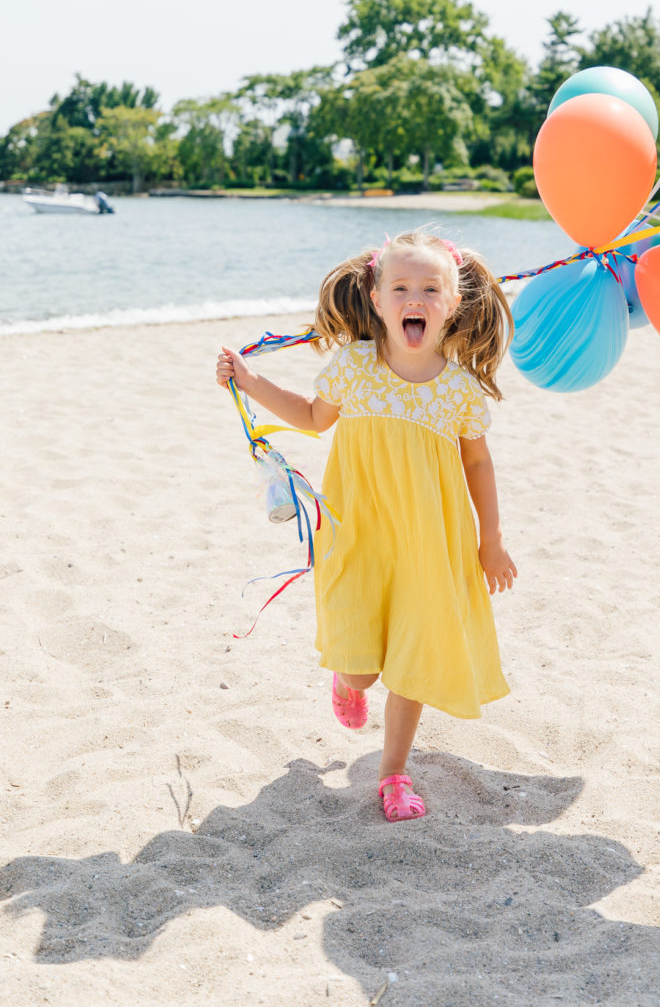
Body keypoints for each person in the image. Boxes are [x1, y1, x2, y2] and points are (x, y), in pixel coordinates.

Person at [216, 229, 518, 822]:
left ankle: (393, 774)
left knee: (413, 655)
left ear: (453, 302)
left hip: (430, 543)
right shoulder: (354, 367)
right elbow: (309, 416)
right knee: (360, 661)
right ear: (376, 300)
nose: (416, 298)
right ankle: (348, 683)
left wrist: (491, 540)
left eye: (431, 288)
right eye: (401, 287)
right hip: (357, 532)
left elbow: (476, 462)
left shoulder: (458, 388)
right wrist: (249, 381)